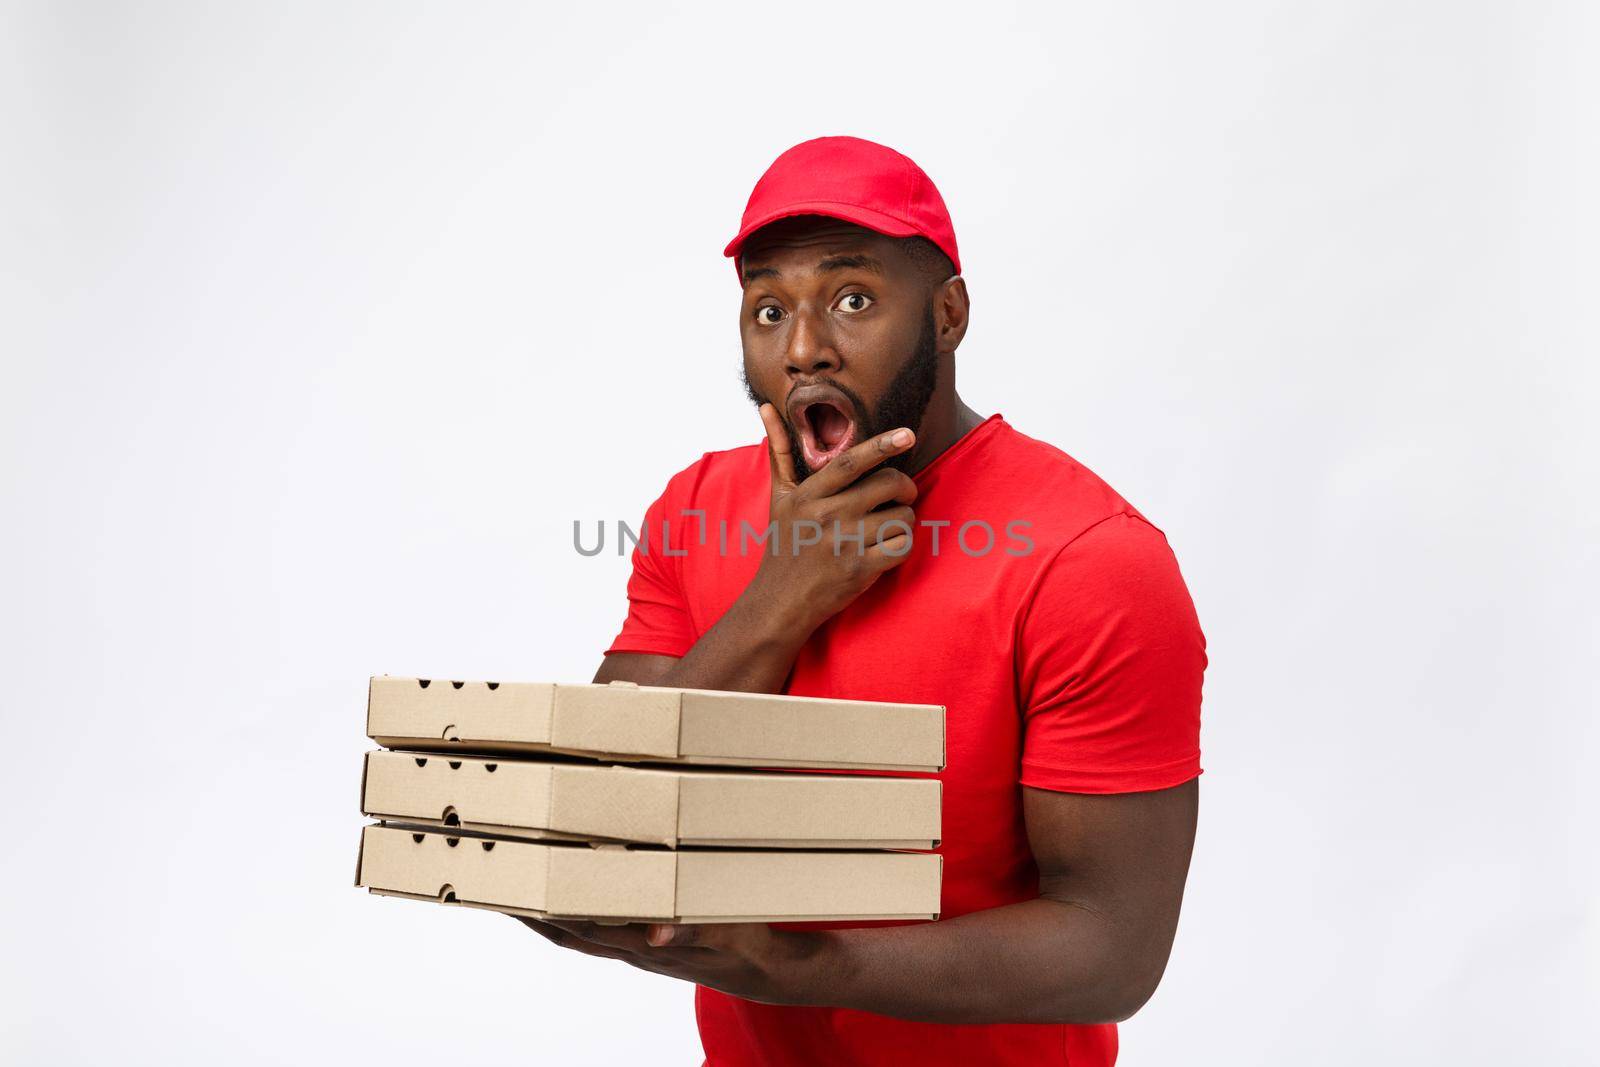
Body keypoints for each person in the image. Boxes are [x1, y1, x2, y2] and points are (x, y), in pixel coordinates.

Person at [517, 135, 1207, 1067]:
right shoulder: (694, 512)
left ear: (949, 314)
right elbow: (596, 819)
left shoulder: (1088, 560)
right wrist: (782, 596)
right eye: (768, 307)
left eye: (852, 299)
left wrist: (800, 965)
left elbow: (1112, 947)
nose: (803, 347)